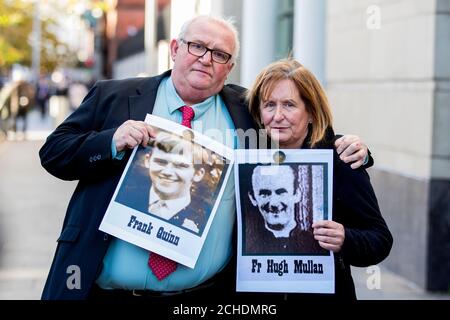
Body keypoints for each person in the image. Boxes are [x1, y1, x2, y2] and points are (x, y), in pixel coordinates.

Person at [39, 15, 372, 300]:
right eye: (196, 46)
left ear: (229, 67)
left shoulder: (247, 109)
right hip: (101, 291)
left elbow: (296, 130)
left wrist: (349, 147)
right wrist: (110, 140)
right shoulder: (114, 96)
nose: (205, 58)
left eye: (219, 53)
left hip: (204, 297)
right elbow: (54, 152)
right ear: (174, 49)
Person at [246, 58, 393, 299]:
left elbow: (380, 239)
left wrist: (345, 239)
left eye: (289, 105)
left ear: (312, 112)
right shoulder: (249, 156)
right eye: (269, 105)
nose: (278, 115)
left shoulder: (340, 159)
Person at [115, 131, 209, 234]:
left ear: (198, 174)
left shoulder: (205, 220)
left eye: (181, 166)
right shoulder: (124, 196)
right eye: (160, 162)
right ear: (148, 160)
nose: (168, 172)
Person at [245, 164, 325, 255]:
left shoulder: (314, 243)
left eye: (281, 193)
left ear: (297, 194)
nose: (274, 203)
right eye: (265, 194)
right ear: (253, 198)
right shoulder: (249, 244)